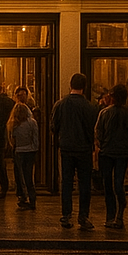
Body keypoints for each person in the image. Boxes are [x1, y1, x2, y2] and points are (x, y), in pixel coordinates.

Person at [50, 72, 100, 230]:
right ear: (84, 87)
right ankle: (83, 216)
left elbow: (53, 126)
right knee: (84, 183)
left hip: (66, 148)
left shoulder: (61, 104)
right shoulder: (89, 106)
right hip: (84, 149)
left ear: (70, 85)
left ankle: (66, 215)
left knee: (67, 182)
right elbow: (92, 128)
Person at [95, 82, 128, 229]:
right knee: (118, 183)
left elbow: (98, 133)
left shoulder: (105, 113)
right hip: (121, 153)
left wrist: (100, 146)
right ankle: (119, 213)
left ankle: (110, 215)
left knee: (108, 184)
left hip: (107, 152)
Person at [8, 101, 39, 210]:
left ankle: (22, 196)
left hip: (19, 151)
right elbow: (35, 137)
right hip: (30, 151)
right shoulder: (32, 123)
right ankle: (32, 198)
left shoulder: (14, 124)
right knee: (29, 175)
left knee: (19, 175)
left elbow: (12, 140)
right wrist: (35, 148)